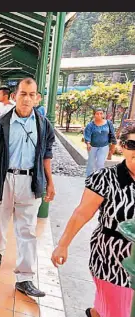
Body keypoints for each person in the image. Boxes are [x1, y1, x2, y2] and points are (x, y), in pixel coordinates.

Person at [0, 78, 56, 297]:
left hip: (30, 181)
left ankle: (24, 277)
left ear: (38, 98)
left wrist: (50, 181)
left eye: (32, 94)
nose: (27, 98)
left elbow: (46, 154)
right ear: (14, 97)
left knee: (27, 231)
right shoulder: (1, 123)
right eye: (23, 94)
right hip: (3, 179)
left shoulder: (43, 124)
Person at [51, 125, 135, 317]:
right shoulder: (106, 178)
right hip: (111, 261)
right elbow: (81, 213)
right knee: (118, 310)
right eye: (132, 144)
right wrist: (63, 245)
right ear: (122, 147)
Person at [84, 108, 117, 177]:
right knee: (91, 163)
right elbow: (87, 135)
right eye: (97, 113)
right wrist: (88, 143)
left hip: (104, 146)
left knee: (100, 164)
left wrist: (113, 146)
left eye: (101, 113)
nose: (99, 115)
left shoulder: (108, 123)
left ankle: (98, 179)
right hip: (92, 147)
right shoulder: (90, 125)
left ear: (103, 114)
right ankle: (89, 179)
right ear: (94, 115)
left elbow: (112, 134)